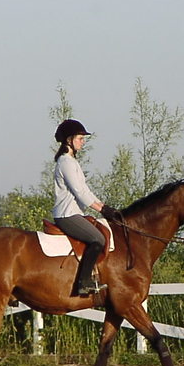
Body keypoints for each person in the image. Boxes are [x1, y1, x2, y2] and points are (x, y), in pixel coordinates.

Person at [52, 119, 121, 296]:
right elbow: (80, 192)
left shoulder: (72, 162)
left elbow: (86, 191)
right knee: (98, 239)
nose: (83, 142)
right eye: (80, 138)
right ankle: (84, 282)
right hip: (67, 215)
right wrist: (101, 210)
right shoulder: (66, 162)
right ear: (69, 140)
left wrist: (105, 207)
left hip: (74, 213)